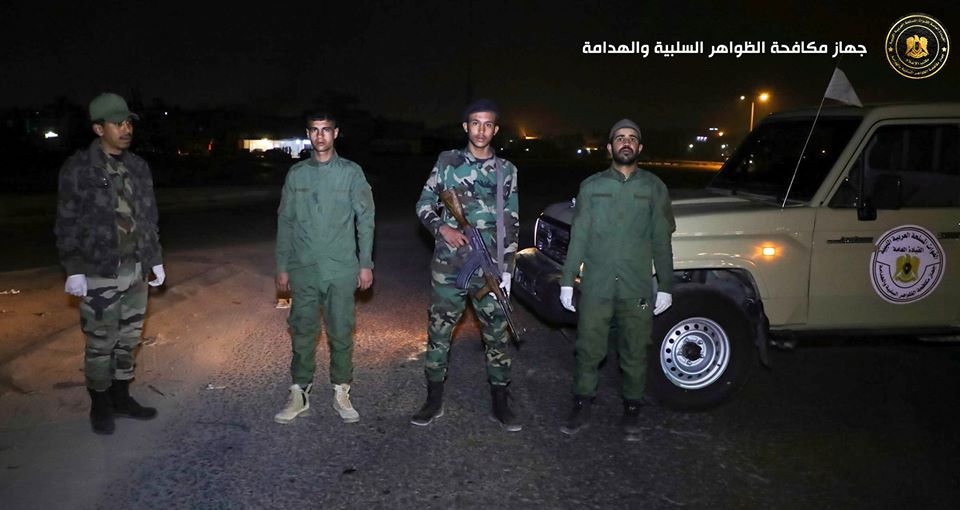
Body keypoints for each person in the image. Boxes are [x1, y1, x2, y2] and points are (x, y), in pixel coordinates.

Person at [558, 118, 675, 441]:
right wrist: (567, 280)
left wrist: (666, 286)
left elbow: (661, 240)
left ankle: (633, 409)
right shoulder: (591, 186)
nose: (626, 142)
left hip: (636, 287)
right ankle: (582, 404)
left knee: (635, 350)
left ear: (640, 147)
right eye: (620, 138)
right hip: (597, 285)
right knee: (588, 348)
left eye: (632, 138)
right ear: (609, 147)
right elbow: (579, 237)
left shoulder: (654, 188)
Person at [55, 93, 165, 435]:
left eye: (128, 122)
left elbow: (149, 217)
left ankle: (121, 397)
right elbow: (66, 223)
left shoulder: (138, 167)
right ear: (99, 128)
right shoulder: (79, 169)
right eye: (118, 123)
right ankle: (100, 403)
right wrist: (74, 268)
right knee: (101, 342)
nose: (126, 129)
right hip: (99, 271)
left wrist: (155, 259)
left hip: (136, 269)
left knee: (129, 338)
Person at [412, 99, 521, 431]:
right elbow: (424, 204)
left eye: (488, 124)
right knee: (439, 331)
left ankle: (501, 402)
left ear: (495, 130)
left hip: (489, 266)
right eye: (475, 123)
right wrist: (441, 228)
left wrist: (507, 270)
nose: (481, 130)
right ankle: (433, 400)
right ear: (465, 127)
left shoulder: (506, 170)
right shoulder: (448, 162)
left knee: (497, 335)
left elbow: (511, 222)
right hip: (450, 265)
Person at [274, 111, 375, 425]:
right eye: (315, 130)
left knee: (341, 331)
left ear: (336, 133)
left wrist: (365, 264)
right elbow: (285, 221)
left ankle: (341, 390)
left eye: (326, 130)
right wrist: (282, 266)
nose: (320, 136)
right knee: (302, 331)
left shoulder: (351, 173)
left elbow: (366, 220)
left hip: (341, 268)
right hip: (303, 267)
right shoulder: (297, 174)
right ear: (308, 134)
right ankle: (299, 392)